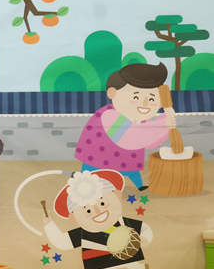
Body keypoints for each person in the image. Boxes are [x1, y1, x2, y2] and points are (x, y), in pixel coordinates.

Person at [73, 62, 178, 190]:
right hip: (98, 158)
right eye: (136, 96)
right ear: (112, 93)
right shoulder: (109, 115)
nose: (145, 103)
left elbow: (149, 142)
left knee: (131, 170)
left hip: (127, 159)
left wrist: (165, 121)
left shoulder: (142, 120)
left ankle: (139, 185)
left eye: (151, 99)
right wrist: (163, 124)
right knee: (92, 174)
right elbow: (130, 139)